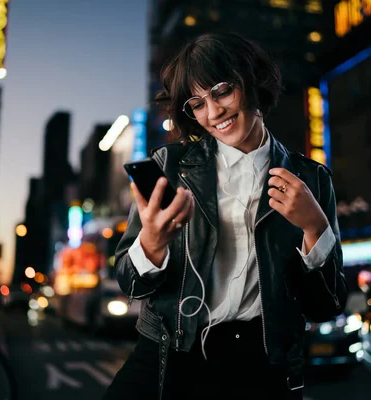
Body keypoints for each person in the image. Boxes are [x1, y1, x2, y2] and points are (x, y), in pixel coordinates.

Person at [102, 31, 348, 400]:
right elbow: (132, 284)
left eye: (221, 91)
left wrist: (315, 228)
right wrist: (151, 244)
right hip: (171, 350)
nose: (214, 113)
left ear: (252, 82)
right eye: (197, 104)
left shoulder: (311, 180)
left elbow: (326, 305)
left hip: (262, 363)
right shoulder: (170, 167)